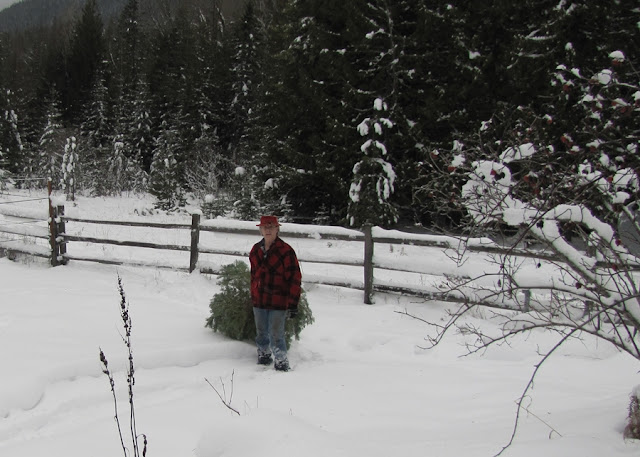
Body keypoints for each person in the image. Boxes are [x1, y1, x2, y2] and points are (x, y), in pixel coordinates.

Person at [249, 215, 302, 371]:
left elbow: (295, 278)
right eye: (265, 227)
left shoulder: (286, 251)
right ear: (261, 230)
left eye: (271, 227)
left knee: (276, 334)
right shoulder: (255, 250)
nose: (268, 230)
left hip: (278, 300)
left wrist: (293, 303)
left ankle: (281, 361)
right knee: (261, 332)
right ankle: (264, 355)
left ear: (277, 229)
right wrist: (253, 292)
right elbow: (253, 275)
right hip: (259, 300)